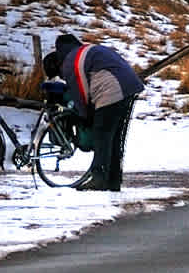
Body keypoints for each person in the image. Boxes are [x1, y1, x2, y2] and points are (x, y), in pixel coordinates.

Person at [48, 31, 144, 191]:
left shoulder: (71, 61)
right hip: (129, 86)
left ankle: (99, 179)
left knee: (102, 135)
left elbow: (81, 93)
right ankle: (113, 180)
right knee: (114, 138)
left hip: (112, 90)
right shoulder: (87, 50)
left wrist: (85, 116)